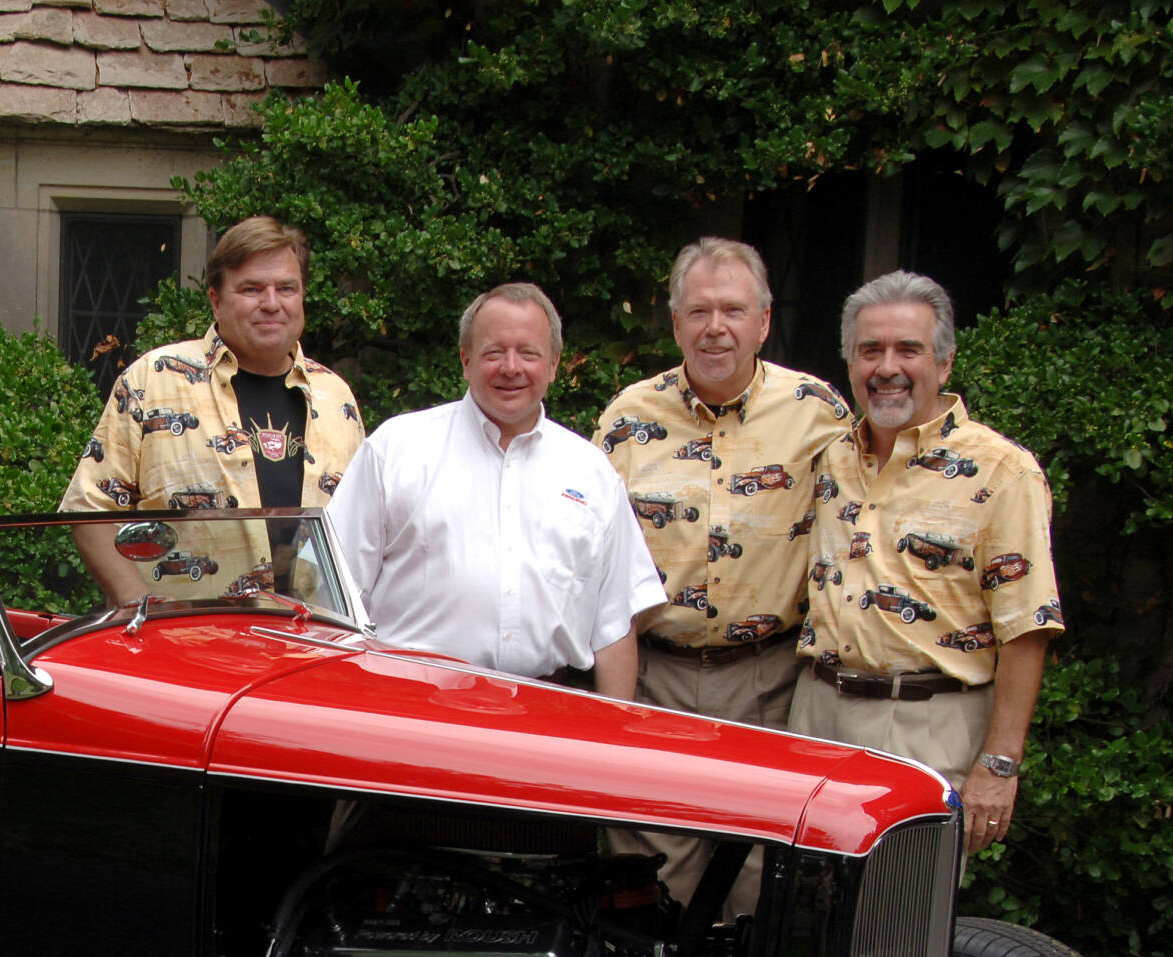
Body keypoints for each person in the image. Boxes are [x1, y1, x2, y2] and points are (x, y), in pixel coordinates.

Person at [597, 237, 857, 911]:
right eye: (700, 310)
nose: (717, 327)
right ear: (676, 322)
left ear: (763, 321)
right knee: (651, 875)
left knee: (756, 876)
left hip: (767, 681)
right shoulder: (628, 420)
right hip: (655, 677)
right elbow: (590, 555)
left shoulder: (819, 413)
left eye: (734, 310)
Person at [795, 271, 1065, 858]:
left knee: (897, 926)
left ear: (943, 364)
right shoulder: (831, 459)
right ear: (850, 365)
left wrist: (998, 766)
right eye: (870, 351)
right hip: (814, 714)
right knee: (799, 918)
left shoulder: (1002, 472)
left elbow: (1027, 627)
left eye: (907, 350)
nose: (886, 367)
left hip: (928, 721)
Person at [326, 283, 663, 692]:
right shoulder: (394, 451)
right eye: (493, 352)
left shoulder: (591, 473)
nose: (511, 367)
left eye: (529, 353)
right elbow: (332, 599)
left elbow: (614, 628)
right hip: (408, 710)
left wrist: (611, 745)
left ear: (554, 364)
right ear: (466, 360)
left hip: (547, 714)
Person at [61, 216, 365, 605]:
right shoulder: (154, 380)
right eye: (251, 289)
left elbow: (364, 531)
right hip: (185, 649)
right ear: (215, 300)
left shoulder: (337, 398)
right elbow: (90, 512)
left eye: (286, 288)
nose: (271, 303)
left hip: (311, 645)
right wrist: (144, 612)